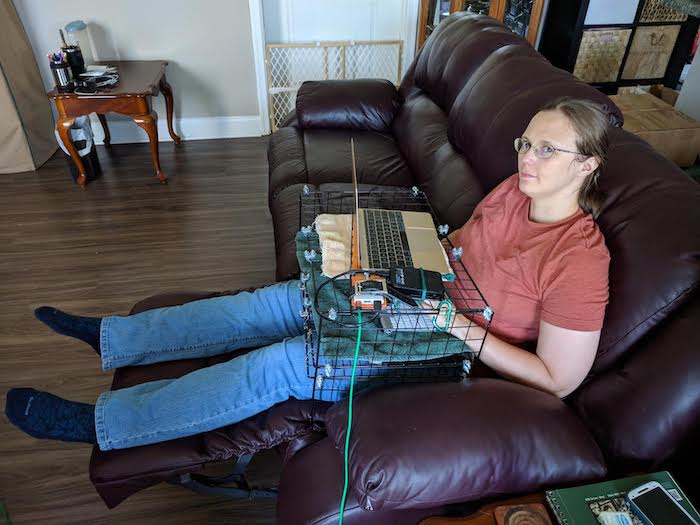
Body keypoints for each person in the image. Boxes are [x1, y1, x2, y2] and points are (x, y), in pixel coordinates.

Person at [5, 97, 611, 452]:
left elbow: (557, 379)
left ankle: (102, 424)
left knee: (283, 362)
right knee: (266, 305)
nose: (525, 158)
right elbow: (465, 243)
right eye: (524, 143)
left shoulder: (579, 261)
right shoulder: (513, 189)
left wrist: (456, 326)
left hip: (442, 349)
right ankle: (118, 338)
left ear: (586, 164)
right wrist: (403, 245)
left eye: (545, 151)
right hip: (409, 293)